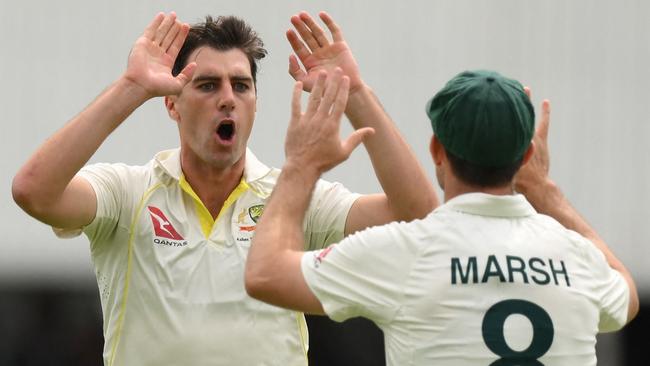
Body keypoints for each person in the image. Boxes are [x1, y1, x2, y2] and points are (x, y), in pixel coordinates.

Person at [11, 11, 437, 366]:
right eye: (208, 85)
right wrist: (132, 87)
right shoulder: (127, 191)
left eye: (241, 85)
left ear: (254, 103)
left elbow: (417, 211)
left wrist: (355, 93)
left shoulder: (291, 196)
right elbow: (34, 191)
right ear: (172, 103)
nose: (228, 98)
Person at [245, 69, 639, 365]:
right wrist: (544, 191)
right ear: (526, 158)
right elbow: (626, 295)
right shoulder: (578, 257)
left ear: (437, 150)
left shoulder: (406, 251)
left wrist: (301, 164)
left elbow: (265, 275)